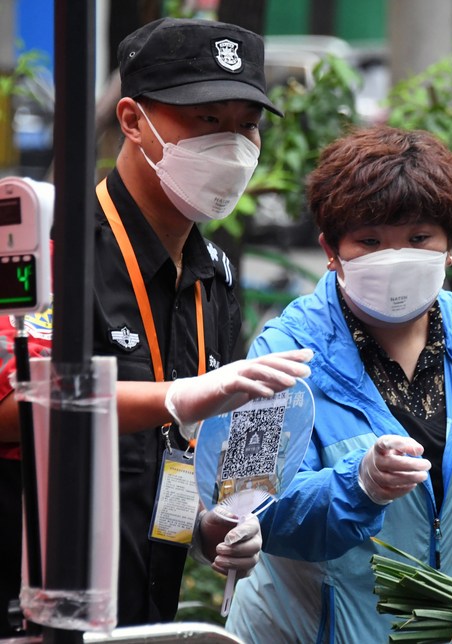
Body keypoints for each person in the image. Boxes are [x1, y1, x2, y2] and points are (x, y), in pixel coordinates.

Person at [0, 17, 314, 633]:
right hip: (30, 613)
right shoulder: (55, 244)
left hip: (146, 618)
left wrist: (215, 524)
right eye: (205, 119)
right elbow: (12, 397)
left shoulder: (214, 275)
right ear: (132, 120)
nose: (231, 145)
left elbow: (183, 460)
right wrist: (174, 397)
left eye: (245, 124)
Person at [225, 125, 452, 643]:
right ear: (331, 248)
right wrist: (358, 484)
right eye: (369, 241)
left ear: (449, 245)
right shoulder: (280, 351)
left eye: (418, 239)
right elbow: (251, 507)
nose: (393, 259)